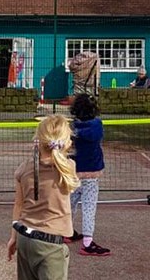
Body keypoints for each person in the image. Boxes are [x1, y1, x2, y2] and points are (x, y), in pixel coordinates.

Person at [7, 115, 79, 280]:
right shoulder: (68, 168)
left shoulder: (23, 168)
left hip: (25, 238)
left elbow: (18, 205)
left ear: (38, 141)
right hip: (50, 245)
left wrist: (13, 237)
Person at [65, 93, 111, 256]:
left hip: (74, 170)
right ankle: (87, 243)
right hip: (91, 173)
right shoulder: (96, 125)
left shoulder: (72, 127)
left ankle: (66, 232)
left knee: (70, 202)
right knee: (89, 206)